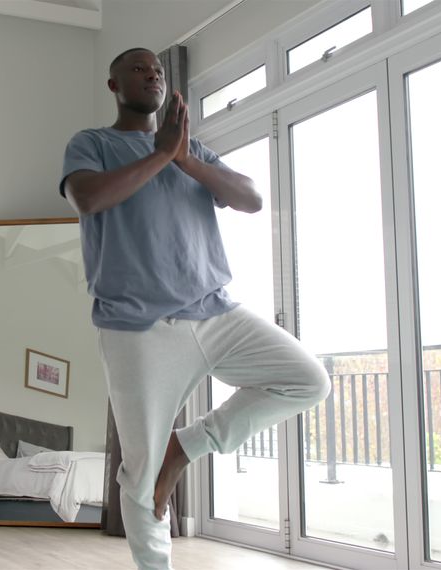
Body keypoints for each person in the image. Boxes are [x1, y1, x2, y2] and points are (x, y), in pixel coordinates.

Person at [58, 47, 331, 570]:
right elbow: (88, 199)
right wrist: (161, 156)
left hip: (216, 311)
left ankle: (184, 447)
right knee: (138, 475)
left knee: (308, 380)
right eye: (138, 68)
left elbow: (250, 198)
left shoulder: (193, 150)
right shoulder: (91, 143)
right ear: (114, 85)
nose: (152, 74)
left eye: (157, 69)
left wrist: (183, 157)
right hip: (139, 329)